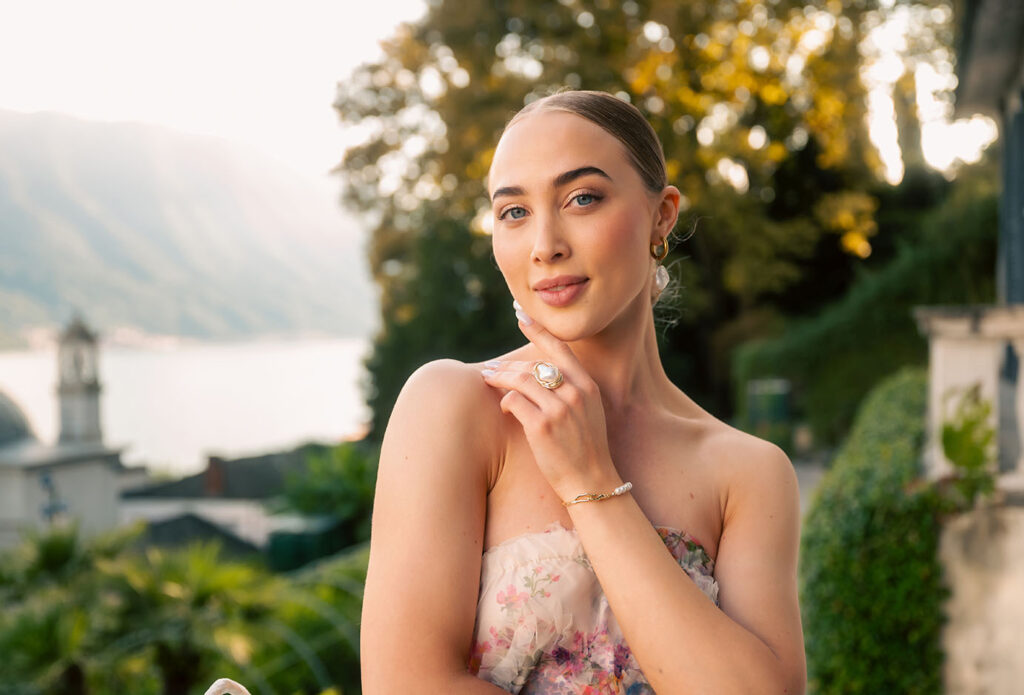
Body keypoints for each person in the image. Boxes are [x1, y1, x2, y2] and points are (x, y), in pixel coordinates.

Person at [360, 90, 806, 694]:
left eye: (582, 198)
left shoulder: (748, 473)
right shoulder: (453, 406)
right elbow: (405, 686)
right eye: (514, 212)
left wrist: (589, 482)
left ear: (662, 215)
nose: (545, 244)